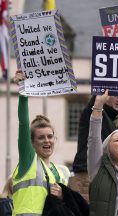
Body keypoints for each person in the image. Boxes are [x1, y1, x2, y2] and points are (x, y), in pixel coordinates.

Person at [12, 70, 70, 215]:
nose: (47, 141)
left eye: (50, 136)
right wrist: (23, 91)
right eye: (41, 137)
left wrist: (64, 195)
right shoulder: (28, 162)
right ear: (31, 143)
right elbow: (24, 124)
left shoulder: (64, 171)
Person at [70, 94, 118, 202]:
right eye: (116, 95)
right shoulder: (92, 111)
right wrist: (99, 99)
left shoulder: (110, 118)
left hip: (103, 175)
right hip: (87, 175)